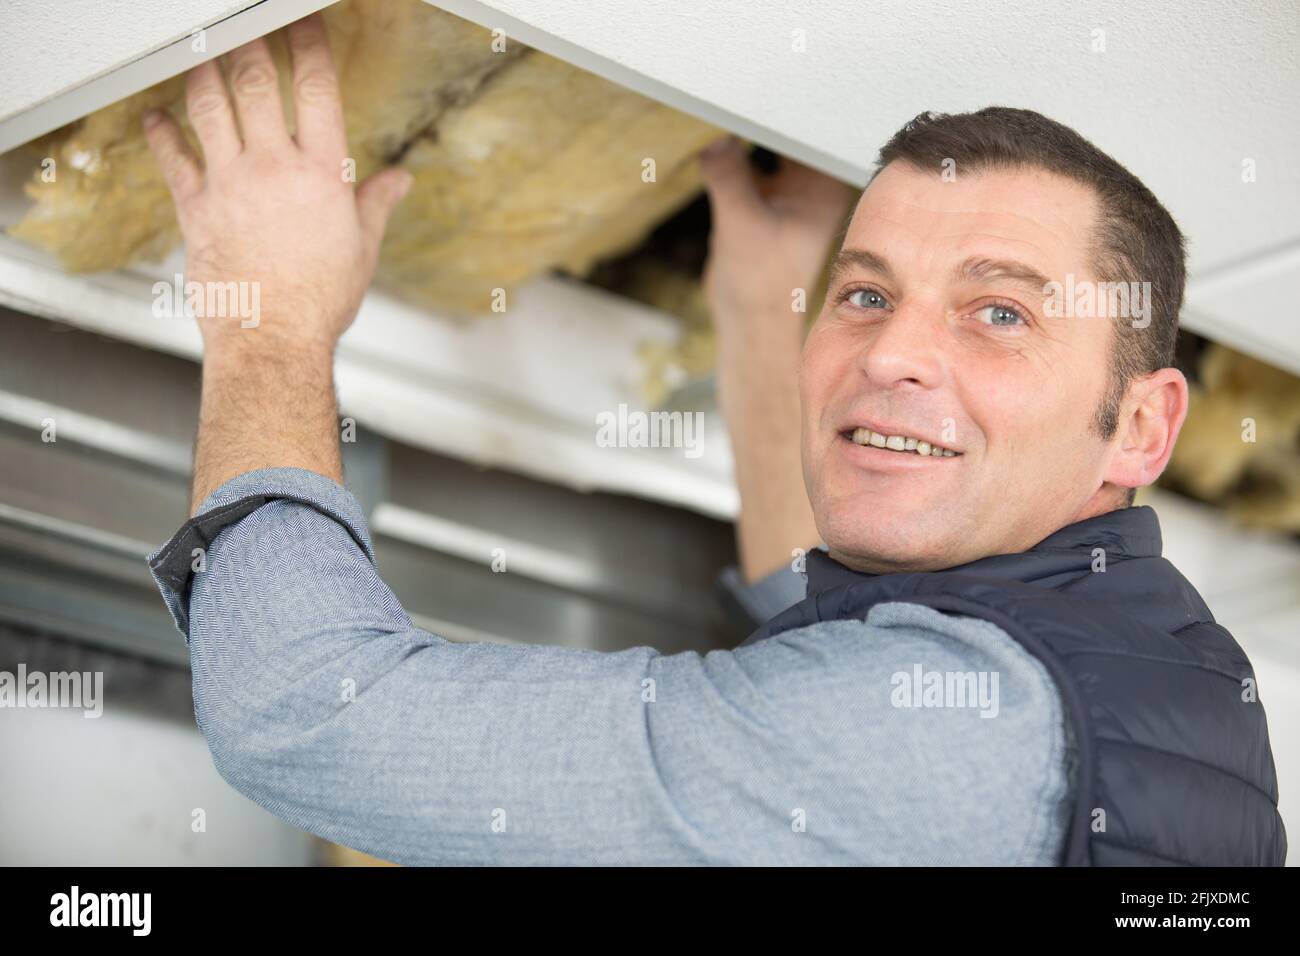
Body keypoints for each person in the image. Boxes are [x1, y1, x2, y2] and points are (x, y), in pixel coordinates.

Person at [142, 14, 1285, 865]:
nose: (889, 355)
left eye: (1000, 313)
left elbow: (304, 711)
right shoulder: (1144, 668)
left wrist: (270, 317)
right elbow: (836, 662)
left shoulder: (956, 736)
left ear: (1141, 425)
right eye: (866, 294)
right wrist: (761, 305)